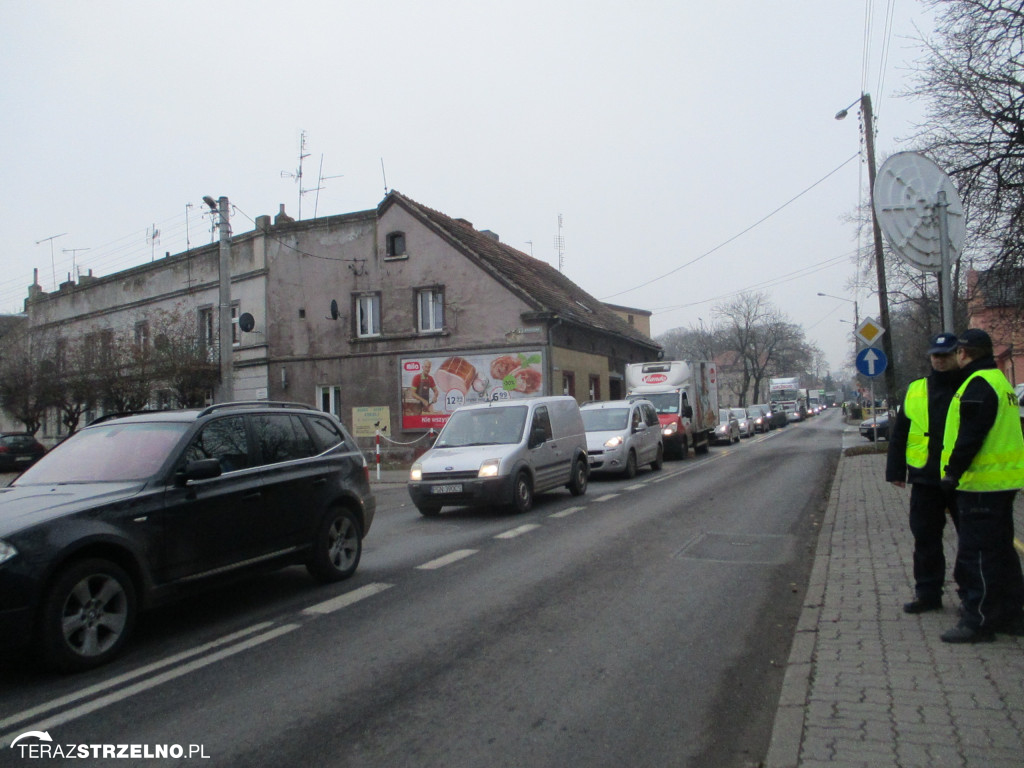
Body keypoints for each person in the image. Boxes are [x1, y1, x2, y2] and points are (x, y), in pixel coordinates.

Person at [939, 328, 1024, 643]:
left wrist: (952, 473)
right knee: (1002, 552)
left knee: (978, 555)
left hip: (982, 484)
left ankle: (978, 620)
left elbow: (971, 435)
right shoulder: (1000, 381)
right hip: (1004, 481)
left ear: (963, 353)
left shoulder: (977, 385)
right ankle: (1012, 615)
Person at [886, 332, 963, 614]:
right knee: (925, 538)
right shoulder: (917, 388)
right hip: (925, 477)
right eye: (935, 356)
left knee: (967, 539)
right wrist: (895, 470)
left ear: (958, 355)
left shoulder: (969, 385)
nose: (940, 360)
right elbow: (901, 432)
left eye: (945, 355)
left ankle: (968, 594)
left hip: (961, 478)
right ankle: (928, 593)